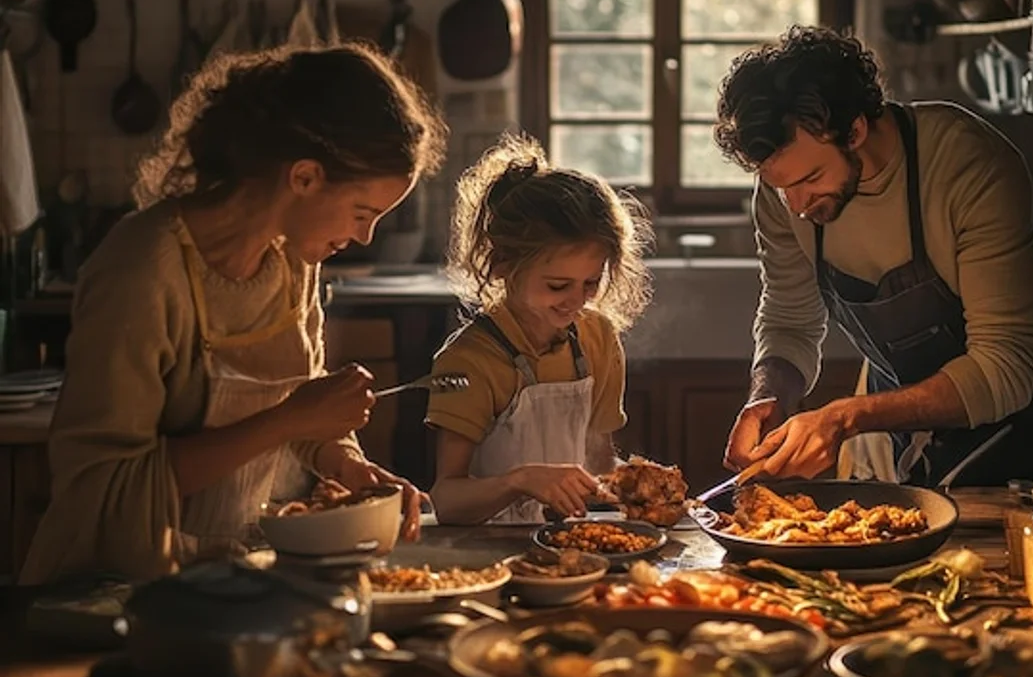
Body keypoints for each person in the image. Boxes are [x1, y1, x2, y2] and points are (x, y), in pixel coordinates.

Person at [21, 42, 446, 584]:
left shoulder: (293, 260)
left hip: (239, 581)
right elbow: (106, 489)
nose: (365, 236)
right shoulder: (143, 268)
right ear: (305, 178)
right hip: (114, 592)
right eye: (363, 213)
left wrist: (349, 468)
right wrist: (291, 418)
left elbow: (302, 421)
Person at [715, 25, 1033, 487]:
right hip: (888, 429)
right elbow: (790, 321)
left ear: (854, 130)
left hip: (1000, 453)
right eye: (779, 186)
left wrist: (847, 418)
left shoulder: (968, 166)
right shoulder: (784, 192)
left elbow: (1005, 367)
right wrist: (768, 394)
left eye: (809, 178)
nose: (794, 205)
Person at [426, 134, 652, 524]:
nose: (576, 301)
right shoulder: (469, 361)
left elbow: (597, 460)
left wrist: (639, 487)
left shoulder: (597, 338)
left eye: (590, 283)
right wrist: (519, 481)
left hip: (573, 549)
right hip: (486, 552)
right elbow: (446, 500)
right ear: (502, 265)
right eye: (557, 286)